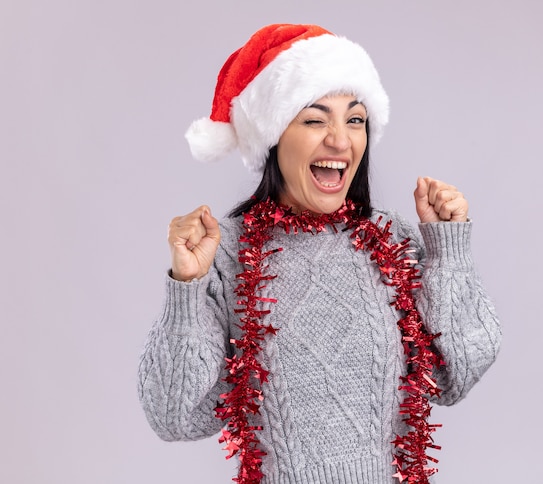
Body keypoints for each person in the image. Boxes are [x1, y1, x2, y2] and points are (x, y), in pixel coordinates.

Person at [138, 24, 501, 484]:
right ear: (272, 138)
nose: (340, 140)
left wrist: (448, 252)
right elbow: (175, 415)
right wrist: (187, 288)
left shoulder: (389, 239)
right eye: (314, 119)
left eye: (354, 119)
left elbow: (455, 375)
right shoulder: (227, 253)